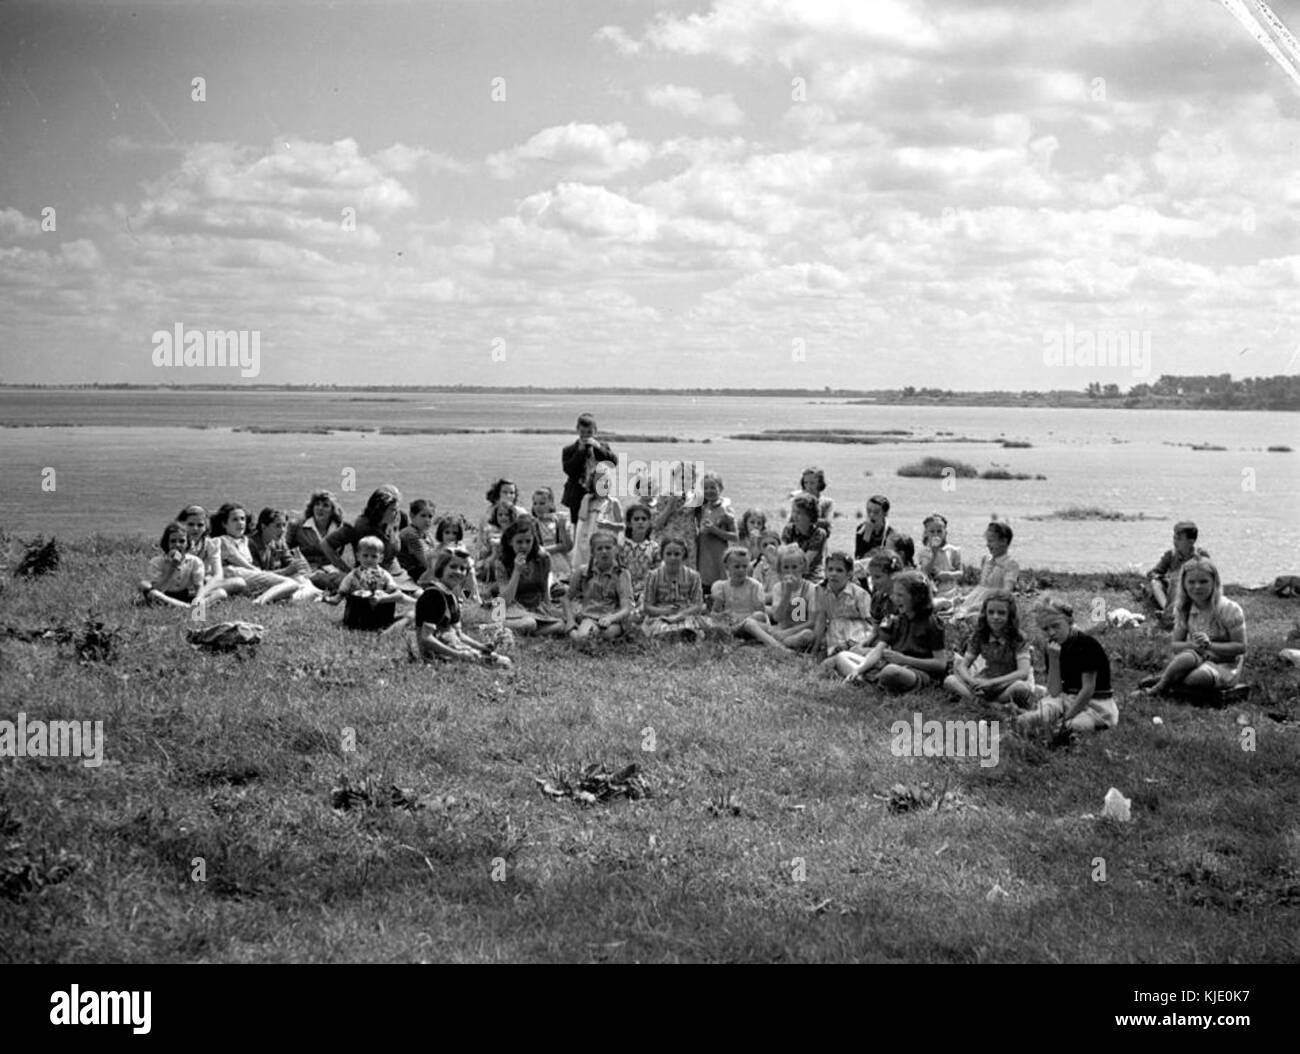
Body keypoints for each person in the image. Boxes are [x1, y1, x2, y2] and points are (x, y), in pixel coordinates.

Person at [1140, 557, 1245, 696]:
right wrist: (1193, 645)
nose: (1197, 587)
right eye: (1191, 582)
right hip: (1197, 658)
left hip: (1225, 665)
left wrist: (1210, 645)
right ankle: (1161, 686)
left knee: (1197, 678)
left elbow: (1240, 647)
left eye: (1203, 582)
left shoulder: (1230, 609)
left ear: (1214, 582)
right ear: (1184, 584)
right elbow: (1175, 645)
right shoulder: (1185, 608)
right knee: (1187, 658)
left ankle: (1164, 680)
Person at [1017, 597, 1117, 735]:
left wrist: (1066, 718)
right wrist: (1054, 659)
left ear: (1069, 622)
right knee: (1046, 711)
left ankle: (1059, 730)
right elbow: (1054, 692)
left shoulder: (1087, 645)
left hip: (1095, 704)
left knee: (1072, 726)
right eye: (1046, 629)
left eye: (1056, 626)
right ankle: (1028, 721)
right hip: (1066, 698)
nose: (1051, 632)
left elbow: (1087, 690)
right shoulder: (1052, 648)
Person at [413, 548, 512, 667]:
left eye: (463, 569)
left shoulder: (452, 596)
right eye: (453, 567)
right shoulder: (433, 596)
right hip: (437, 655)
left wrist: (481, 646)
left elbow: (458, 634)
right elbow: (426, 638)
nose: (458, 572)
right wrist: (458, 655)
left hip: (453, 645)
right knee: (502, 663)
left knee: (503, 654)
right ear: (441, 568)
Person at [858, 570, 949, 694]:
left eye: (900, 595)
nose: (894, 599)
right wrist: (858, 669)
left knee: (891, 671)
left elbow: (940, 664)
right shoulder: (895, 619)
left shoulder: (931, 623)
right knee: (843, 657)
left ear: (917, 597)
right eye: (894, 594)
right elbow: (878, 650)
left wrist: (904, 660)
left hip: (917, 672)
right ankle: (864, 678)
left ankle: (870, 682)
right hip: (894, 665)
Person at [944, 591, 1035, 707]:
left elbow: (1023, 672)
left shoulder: (1018, 638)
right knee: (950, 680)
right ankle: (989, 704)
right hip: (984, 681)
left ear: (1010, 615)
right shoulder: (979, 635)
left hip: (1006, 683)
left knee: (1021, 688)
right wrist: (972, 682)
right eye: (991, 612)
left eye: (1001, 613)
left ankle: (978, 702)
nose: (995, 617)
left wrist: (992, 683)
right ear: (985, 614)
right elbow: (963, 665)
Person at [829, 550, 901, 680]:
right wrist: (864, 643)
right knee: (844, 656)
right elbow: (875, 630)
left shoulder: (902, 601)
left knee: (844, 658)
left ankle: (866, 674)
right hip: (881, 646)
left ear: (893, 576)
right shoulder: (879, 597)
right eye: (871, 577)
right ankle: (866, 676)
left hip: (896, 650)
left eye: (878, 577)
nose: (873, 582)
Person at [209, 503, 300, 604]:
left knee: (289, 590)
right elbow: (242, 563)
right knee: (291, 583)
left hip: (247, 577)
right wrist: (263, 573)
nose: (240, 523)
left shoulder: (245, 541)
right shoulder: (222, 540)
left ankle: (264, 599)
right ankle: (260, 601)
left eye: (242, 519)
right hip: (234, 574)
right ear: (224, 524)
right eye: (235, 520)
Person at [495, 516, 566, 636]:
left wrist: (548, 608)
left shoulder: (543, 558)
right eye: (519, 542)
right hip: (511, 606)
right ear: (510, 542)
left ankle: (532, 632)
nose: (524, 546)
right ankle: (503, 625)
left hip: (535, 605)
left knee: (560, 625)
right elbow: (505, 600)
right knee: (529, 623)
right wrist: (516, 571)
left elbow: (544, 588)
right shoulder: (502, 562)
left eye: (528, 541)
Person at [741, 545, 817, 653]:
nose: (790, 571)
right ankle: (781, 649)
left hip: (797, 631)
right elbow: (777, 617)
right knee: (749, 623)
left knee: (808, 635)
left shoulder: (811, 589)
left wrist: (788, 632)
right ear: (780, 569)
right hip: (780, 629)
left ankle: (770, 644)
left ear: (803, 567)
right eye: (786, 567)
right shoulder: (778, 588)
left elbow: (812, 622)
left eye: (794, 567)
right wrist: (787, 593)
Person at [565, 530, 633, 641]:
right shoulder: (583, 572)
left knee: (607, 634)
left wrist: (610, 619)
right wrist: (570, 621)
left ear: (615, 550)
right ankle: (573, 633)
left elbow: (626, 608)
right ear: (593, 552)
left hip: (613, 618)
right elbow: (567, 598)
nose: (604, 551)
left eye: (608, 548)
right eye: (599, 548)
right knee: (584, 637)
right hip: (590, 616)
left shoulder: (622, 574)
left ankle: (587, 636)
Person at [641, 536, 706, 641]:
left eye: (677, 554)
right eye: (668, 554)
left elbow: (698, 605)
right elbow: (647, 607)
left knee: (690, 627)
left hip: (685, 613)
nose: (672, 558)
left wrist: (681, 614)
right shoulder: (653, 576)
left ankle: (683, 635)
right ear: (662, 555)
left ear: (684, 555)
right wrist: (667, 612)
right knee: (660, 628)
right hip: (660, 614)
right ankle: (669, 636)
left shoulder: (693, 576)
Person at [813, 551, 872, 666]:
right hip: (835, 633)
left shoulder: (859, 594)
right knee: (826, 662)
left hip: (856, 633)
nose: (833, 573)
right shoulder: (820, 591)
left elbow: (869, 621)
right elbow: (821, 619)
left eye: (839, 570)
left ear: (849, 574)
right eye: (830, 569)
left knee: (835, 662)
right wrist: (814, 648)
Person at [249, 507, 321, 601]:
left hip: (278, 579)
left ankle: (311, 593)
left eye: (284, 525)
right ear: (263, 526)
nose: (282, 530)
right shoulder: (251, 544)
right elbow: (256, 575)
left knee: (301, 578)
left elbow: (289, 561)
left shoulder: (280, 542)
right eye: (278, 526)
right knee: (295, 584)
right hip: (261, 583)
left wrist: (299, 565)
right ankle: (303, 596)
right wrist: (286, 571)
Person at [1146, 521, 1210, 627]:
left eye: (1179, 539)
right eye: (1174, 538)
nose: (1175, 541)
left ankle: (1170, 615)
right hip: (1172, 590)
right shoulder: (1170, 555)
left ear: (1191, 541)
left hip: (1192, 590)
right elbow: (1153, 572)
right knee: (1155, 583)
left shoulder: (1201, 555)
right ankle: (1168, 611)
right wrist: (1161, 577)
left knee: (1179, 580)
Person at [952, 520, 1019, 620]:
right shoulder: (986, 560)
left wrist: (983, 605)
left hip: (993, 605)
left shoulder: (1010, 564)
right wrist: (965, 598)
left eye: (991, 541)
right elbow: (981, 588)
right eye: (987, 541)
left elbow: (1006, 592)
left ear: (1004, 541)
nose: (987, 545)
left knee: (969, 617)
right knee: (955, 612)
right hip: (974, 601)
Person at [338, 536, 406, 632]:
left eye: (374, 556)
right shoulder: (354, 574)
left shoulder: (384, 575)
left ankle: (381, 623)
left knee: (386, 596)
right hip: (358, 611)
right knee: (355, 597)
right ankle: (355, 623)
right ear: (358, 556)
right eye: (365, 556)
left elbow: (396, 592)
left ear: (381, 558)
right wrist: (339, 595)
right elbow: (343, 590)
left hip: (379, 609)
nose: (369, 559)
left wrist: (383, 597)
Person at [561, 413, 616, 526]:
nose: (586, 437)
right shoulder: (569, 450)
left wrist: (598, 447)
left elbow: (613, 462)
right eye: (583, 433)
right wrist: (580, 452)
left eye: (589, 433)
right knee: (577, 525)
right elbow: (569, 470)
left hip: (599, 493)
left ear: (595, 431)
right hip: (576, 495)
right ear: (577, 430)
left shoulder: (601, 446)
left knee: (598, 523)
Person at [570, 461, 624, 576]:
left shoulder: (613, 502)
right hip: (587, 540)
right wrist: (586, 500)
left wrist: (609, 525)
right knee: (586, 566)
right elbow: (582, 517)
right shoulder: (588, 500)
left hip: (606, 539)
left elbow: (621, 526)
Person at [287, 490, 347, 592]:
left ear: (332, 510)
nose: (320, 508)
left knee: (345, 579)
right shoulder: (297, 526)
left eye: (325, 505)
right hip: (307, 569)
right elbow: (286, 550)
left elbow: (338, 554)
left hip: (330, 569)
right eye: (317, 504)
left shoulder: (339, 529)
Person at [138, 522, 206, 608]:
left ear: (187, 543)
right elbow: (158, 588)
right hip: (164, 595)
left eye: (182, 541)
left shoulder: (195, 561)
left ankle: (189, 605)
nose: (177, 545)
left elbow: (199, 586)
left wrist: (198, 599)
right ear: (167, 543)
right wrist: (172, 568)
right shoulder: (157, 562)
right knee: (151, 592)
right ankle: (187, 607)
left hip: (185, 594)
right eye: (173, 541)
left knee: (219, 593)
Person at [652, 460, 703, 568]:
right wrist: (670, 506)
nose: (685, 481)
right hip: (668, 542)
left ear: (694, 480)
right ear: (675, 478)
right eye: (682, 477)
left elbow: (700, 521)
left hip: (688, 543)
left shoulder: (696, 498)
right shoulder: (665, 496)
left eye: (689, 478)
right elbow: (656, 525)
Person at [710, 546, 768, 637]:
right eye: (737, 567)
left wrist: (749, 618)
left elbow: (761, 613)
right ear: (727, 567)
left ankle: (776, 645)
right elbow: (714, 613)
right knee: (714, 624)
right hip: (731, 623)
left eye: (745, 566)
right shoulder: (721, 586)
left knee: (757, 616)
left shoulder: (754, 586)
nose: (741, 570)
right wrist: (722, 615)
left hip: (750, 622)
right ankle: (730, 632)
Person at [695, 473, 738, 592]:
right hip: (704, 555)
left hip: (719, 554)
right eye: (705, 488)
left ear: (721, 488)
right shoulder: (702, 508)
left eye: (713, 487)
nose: (709, 491)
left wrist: (715, 530)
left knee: (720, 586)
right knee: (705, 585)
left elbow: (735, 537)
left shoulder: (726, 510)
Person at [619, 502, 660, 607]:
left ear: (649, 522)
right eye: (636, 519)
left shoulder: (654, 548)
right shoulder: (621, 546)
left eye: (644, 519)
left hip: (646, 592)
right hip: (624, 590)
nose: (640, 522)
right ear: (629, 523)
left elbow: (657, 573)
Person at [916, 513, 962, 608]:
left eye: (939, 531)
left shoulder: (953, 550)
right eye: (932, 532)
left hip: (951, 591)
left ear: (945, 532)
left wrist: (948, 575)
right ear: (926, 533)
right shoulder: (924, 552)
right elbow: (924, 572)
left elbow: (960, 572)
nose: (936, 535)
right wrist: (934, 554)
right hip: (934, 593)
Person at [530, 486, 573, 585]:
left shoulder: (559, 522)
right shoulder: (532, 524)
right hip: (541, 563)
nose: (538, 507)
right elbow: (533, 549)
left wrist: (562, 527)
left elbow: (567, 547)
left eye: (542, 503)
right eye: (535, 504)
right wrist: (558, 547)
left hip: (560, 563)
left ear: (551, 504)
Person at [781, 494, 828, 583]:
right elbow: (783, 554)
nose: (794, 515)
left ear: (810, 516)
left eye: (798, 513)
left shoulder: (819, 534)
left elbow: (806, 561)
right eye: (793, 511)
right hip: (789, 571)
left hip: (812, 576)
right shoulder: (788, 530)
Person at [398, 498, 437, 581]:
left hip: (421, 571)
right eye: (423, 516)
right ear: (412, 515)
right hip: (410, 574)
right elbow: (426, 562)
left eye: (430, 516)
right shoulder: (411, 534)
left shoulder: (426, 534)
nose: (427, 520)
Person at [854, 494, 901, 560]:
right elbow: (858, 557)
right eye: (868, 511)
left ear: (885, 514)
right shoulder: (861, 530)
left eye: (876, 512)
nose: (871, 515)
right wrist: (867, 535)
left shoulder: (891, 533)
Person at [751, 531, 783, 603]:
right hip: (764, 599)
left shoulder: (785, 563)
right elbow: (754, 587)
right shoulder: (759, 566)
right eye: (765, 545)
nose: (769, 547)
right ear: (760, 549)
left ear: (779, 545)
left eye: (773, 544)